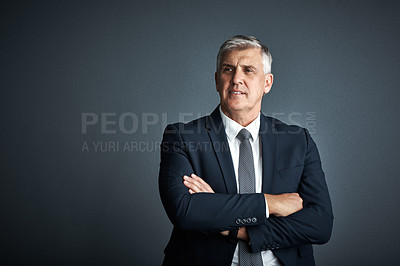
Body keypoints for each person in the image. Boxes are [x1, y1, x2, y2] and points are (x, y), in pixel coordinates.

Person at [158, 35, 333, 266]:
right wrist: (271, 203)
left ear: (267, 83)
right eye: (228, 69)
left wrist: (234, 229)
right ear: (217, 80)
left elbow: (320, 225)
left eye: (248, 70)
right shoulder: (181, 137)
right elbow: (185, 210)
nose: (237, 79)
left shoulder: (298, 140)